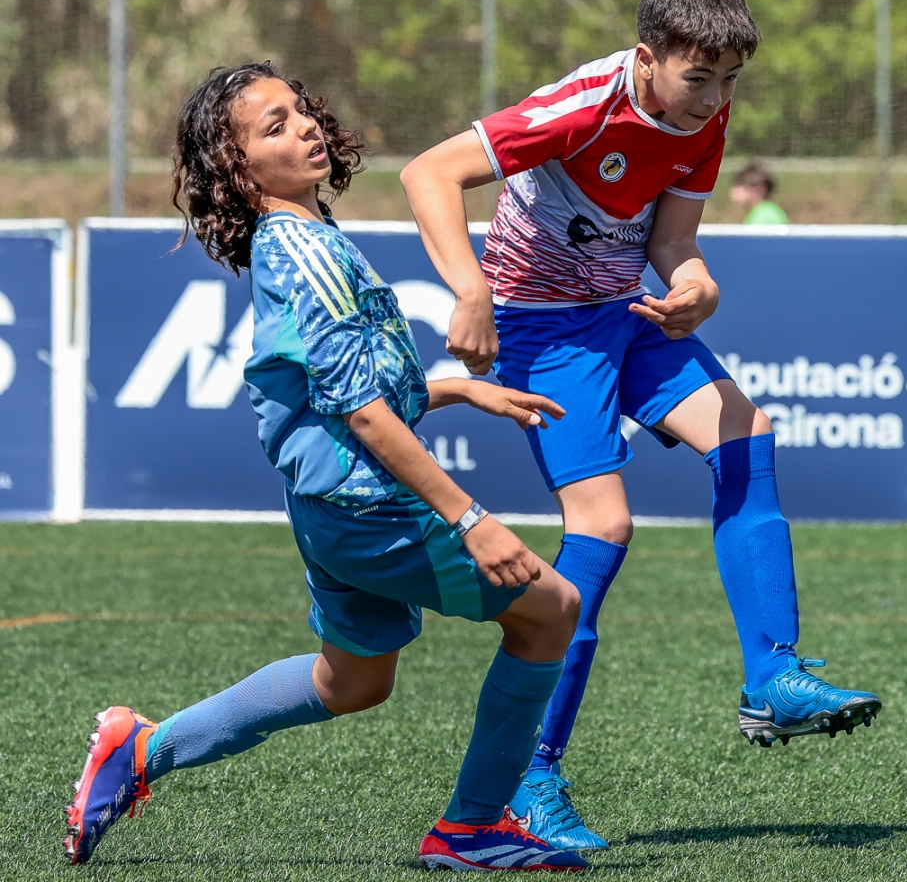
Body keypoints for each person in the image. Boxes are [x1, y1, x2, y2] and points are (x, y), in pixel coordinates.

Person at [400, 0, 881, 852]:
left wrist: (699, 287)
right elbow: (428, 171)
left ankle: (772, 677)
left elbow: (673, 242)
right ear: (648, 57)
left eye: (731, 80)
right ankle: (532, 775)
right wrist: (468, 290)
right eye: (700, 78)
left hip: (628, 311)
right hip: (543, 327)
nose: (716, 99)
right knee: (605, 526)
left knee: (746, 433)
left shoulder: (705, 115)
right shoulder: (582, 107)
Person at [65, 63, 590, 871]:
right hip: (371, 504)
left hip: (329, 506)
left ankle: (140, 750)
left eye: (299, 110)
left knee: (354, 682)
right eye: (273, 127)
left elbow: (342, 392)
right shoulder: (302, 250)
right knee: (551, 610)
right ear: (239, 170)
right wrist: (471, 519)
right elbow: (361, 413)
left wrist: (456, 390)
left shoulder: (303, 238)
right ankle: (472, 829)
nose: (305, 126)